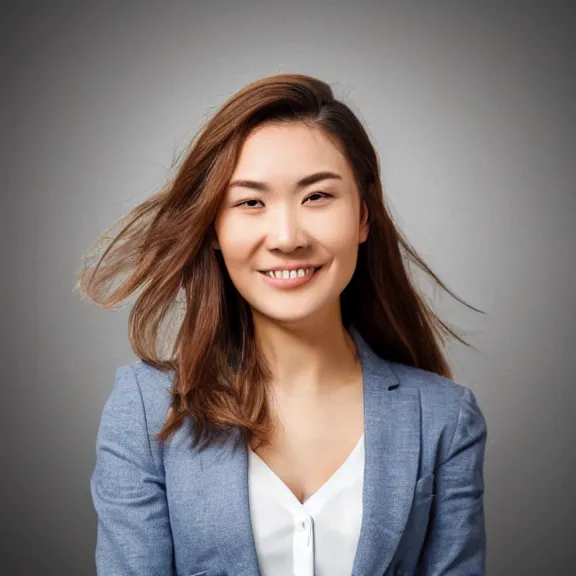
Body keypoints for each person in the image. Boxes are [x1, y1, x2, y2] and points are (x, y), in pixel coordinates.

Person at [76, 73, 488, 576]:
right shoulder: (144, 412)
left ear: (363, 216)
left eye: (317, 197)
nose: (287, 236)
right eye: (250, 202)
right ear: (214, 230)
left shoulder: (445, 418)